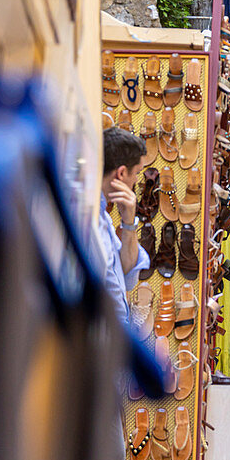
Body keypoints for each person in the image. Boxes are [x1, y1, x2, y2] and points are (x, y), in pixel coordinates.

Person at [98, 126, 149, 324]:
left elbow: (128, 276)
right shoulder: (90, 222)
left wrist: (128, 222)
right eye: (136, 173)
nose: (136, 180)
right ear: (121, 173)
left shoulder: (104, 218)